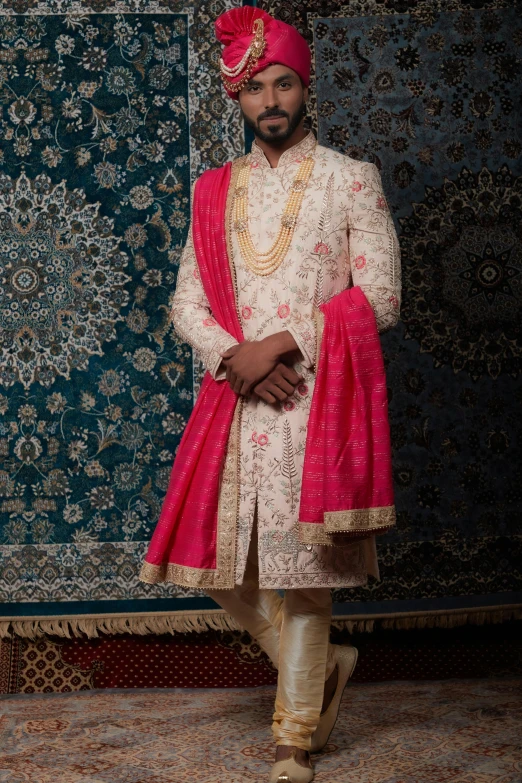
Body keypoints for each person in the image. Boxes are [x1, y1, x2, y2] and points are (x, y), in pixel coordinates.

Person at [139, 7, 401, 782]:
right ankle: (325, 669)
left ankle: (294, 736)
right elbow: (187, 304)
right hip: (236, 399)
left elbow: (381, 295)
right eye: (255, 89)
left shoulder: (353, 179)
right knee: (218, 570)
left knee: (304, 572)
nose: (271, 100)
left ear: (305, 88)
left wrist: (278, 346)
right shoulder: (212, 191)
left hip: (317, 401)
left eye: (283, 83)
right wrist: (235, 358)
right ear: (238, 100)